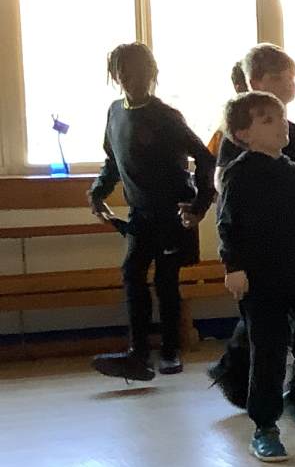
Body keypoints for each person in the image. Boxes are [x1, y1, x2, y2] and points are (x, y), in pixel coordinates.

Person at [216, 91, 295, 463]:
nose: (281, 124)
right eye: (267, 120)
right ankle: (265, 427)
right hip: (262, 278)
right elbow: (228, 224)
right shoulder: (240, 173)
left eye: (281, 117)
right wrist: (233, 267)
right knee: (268, 351)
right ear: (243, 134)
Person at [86, 42, 214, 381]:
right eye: (125, 73)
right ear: (116, 76)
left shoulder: (167, 116)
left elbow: (205, 159)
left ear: (152, 73)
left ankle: (170, 351)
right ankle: (138, 353)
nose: (133, 80)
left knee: (165, 280)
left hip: (174, 213)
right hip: (140, 214)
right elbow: (113, 161)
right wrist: (98, 192)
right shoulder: (115, 113)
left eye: (141, 72)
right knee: (132, 274)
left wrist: (199, 206)